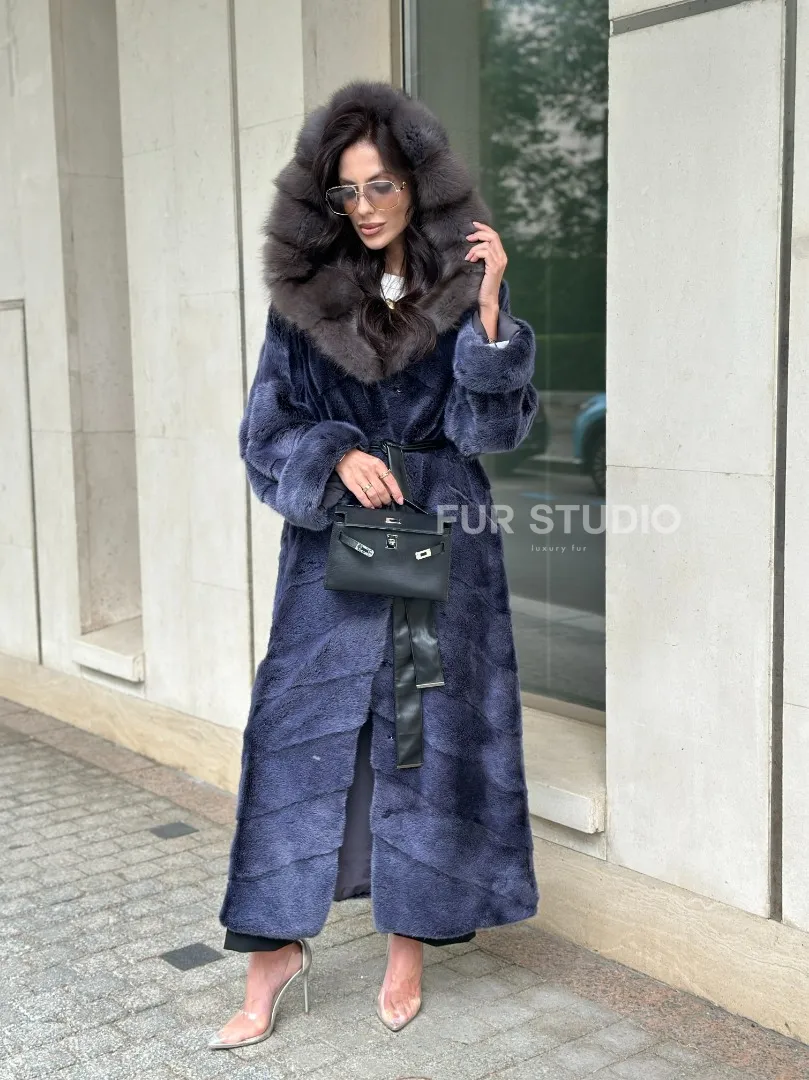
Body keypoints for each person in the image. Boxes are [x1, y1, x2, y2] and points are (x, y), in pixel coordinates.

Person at [210, 79, 540, 1051]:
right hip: (333, 551)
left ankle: (407, 943)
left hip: (438, 538)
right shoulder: (302, 302)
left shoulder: (461, 287)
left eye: (381, 185)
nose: (364, 206)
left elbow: (490, 432)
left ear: (416, 185)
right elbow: (264, 433)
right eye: (346, 190)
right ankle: (271, 953)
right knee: (296, 735)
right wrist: (334, 455)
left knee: (415, 733)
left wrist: (489, 315)